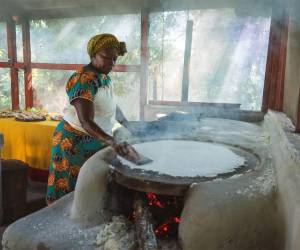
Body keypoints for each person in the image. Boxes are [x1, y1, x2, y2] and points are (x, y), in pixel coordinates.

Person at [46, 34, 138, 204]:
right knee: (72, 191)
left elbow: (110, 105)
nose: (111, 63)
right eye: (106, 57)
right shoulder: (83, 79)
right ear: (93, 55)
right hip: (74, 142)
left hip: (95, 139)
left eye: (114, 59)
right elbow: (86, 121)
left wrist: (128, 125)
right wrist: (112, 141)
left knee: (88, 188)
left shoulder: (103, 77)